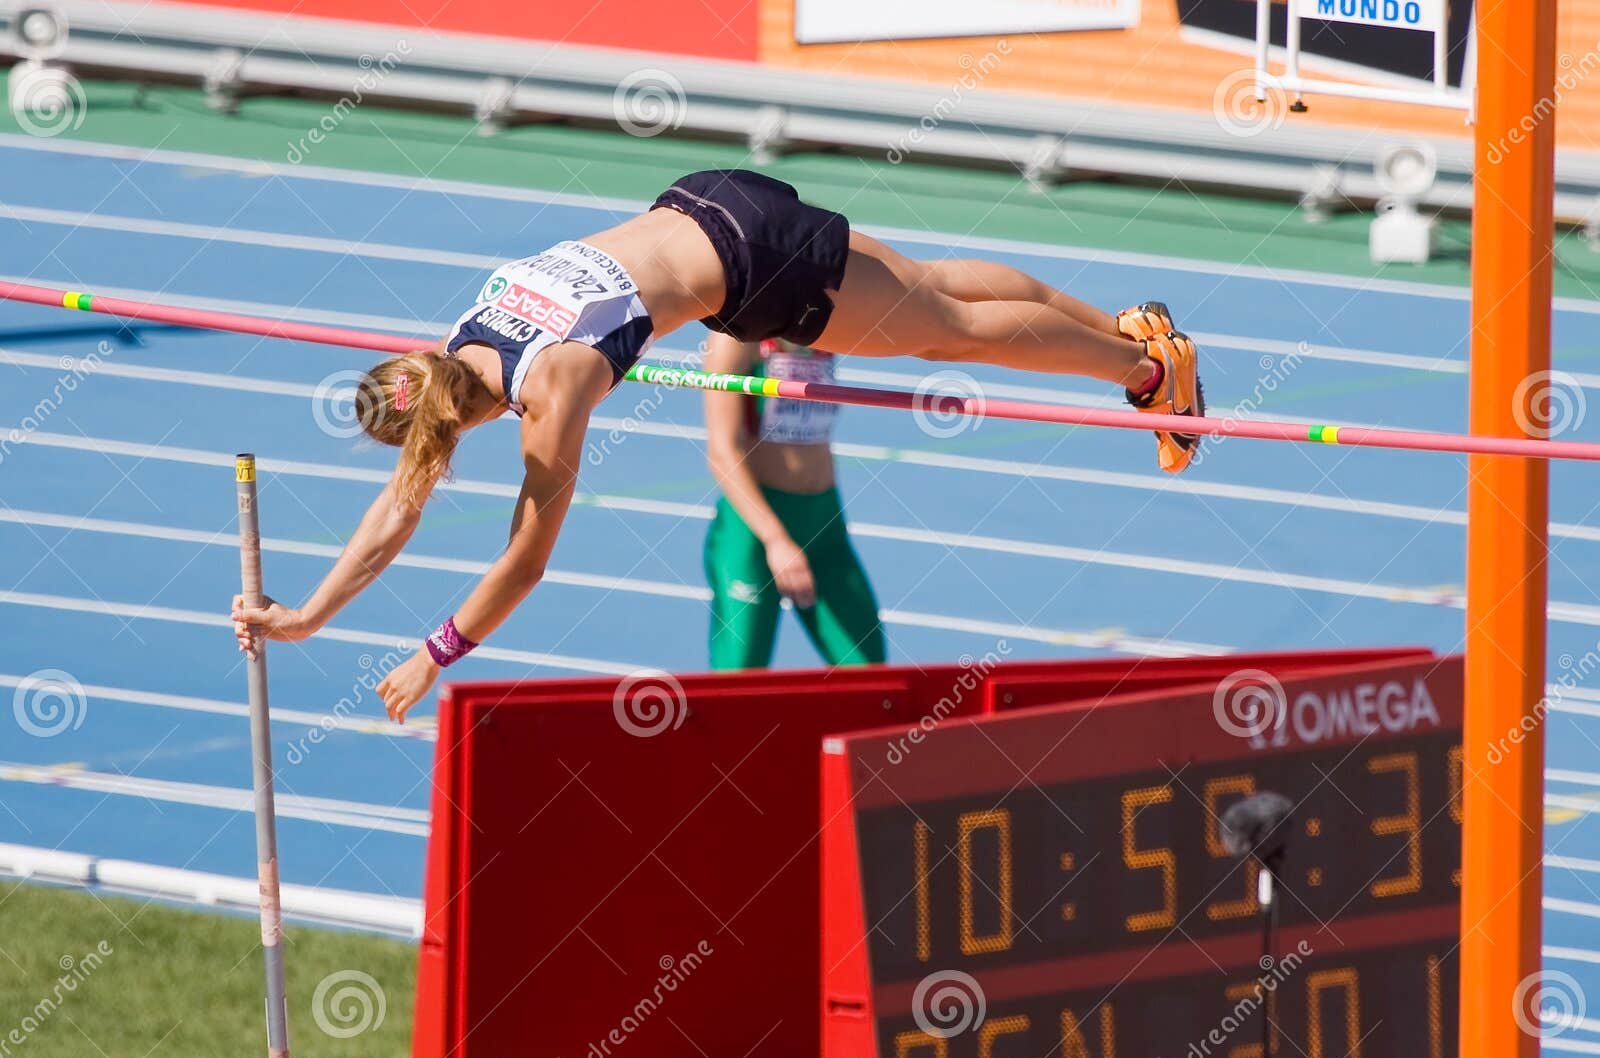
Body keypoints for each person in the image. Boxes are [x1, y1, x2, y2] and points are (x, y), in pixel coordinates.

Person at [231, 169, 1201, 722]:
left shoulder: (551, 390)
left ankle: (1144, 372)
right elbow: (398, 508)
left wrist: (434, 654)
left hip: (749, 269)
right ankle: (1131, 328)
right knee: (932, 284)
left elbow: (523, 560)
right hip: (709, 200)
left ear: (445, 430)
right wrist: (307, 614)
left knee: (946, 330)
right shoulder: (462, 334)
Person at [701, 333, 884, 670]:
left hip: (824, 521)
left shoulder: (825, 323)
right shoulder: (735, 337)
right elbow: (722, 453)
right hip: (754, 532)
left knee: (868, 668)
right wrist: (776, 540)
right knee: (739, 675)